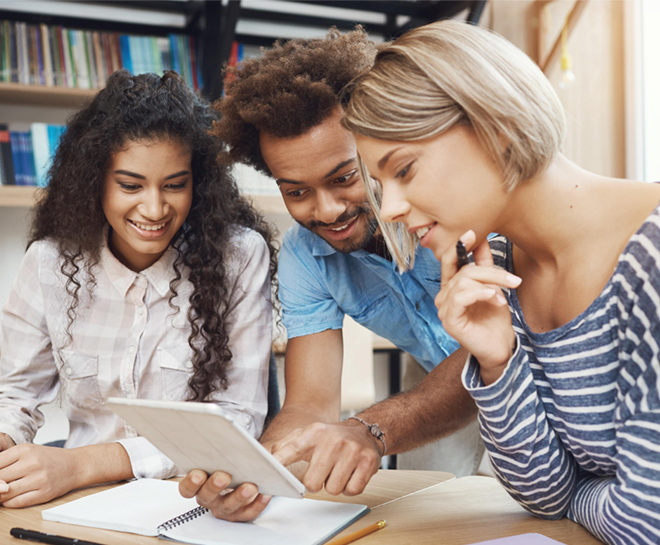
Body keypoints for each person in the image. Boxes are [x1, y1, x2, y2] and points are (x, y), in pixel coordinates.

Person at [343, 19, 660, 545]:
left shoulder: (648, 261)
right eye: (381, 185)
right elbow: (545, 496)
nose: (392, 208)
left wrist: (585, 493)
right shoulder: (505, 269)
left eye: (405, 170)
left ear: (498, 126)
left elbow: (644, 522)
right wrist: (497, 361)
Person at [179, 28, 480, 522]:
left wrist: (370, 428)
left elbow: (490, 352)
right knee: (434, 517)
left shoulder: (452, 208)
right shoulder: (303, 259)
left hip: (529, 365)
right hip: (431, 374)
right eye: (296, 191)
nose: (327, 210)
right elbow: (310, 407)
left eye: (344, 178)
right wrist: (255, 473)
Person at [0, 70, 276, 508]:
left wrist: (82, 465)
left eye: (175, 185)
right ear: (95, 182)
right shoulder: (50, 262)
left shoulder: (239, 257)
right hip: (78, 500)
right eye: (130, 185)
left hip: (195, 502)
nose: (154, 208)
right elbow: (14, 397)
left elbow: (239, 420)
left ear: (198, 183)